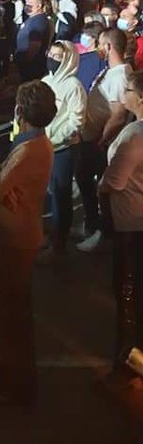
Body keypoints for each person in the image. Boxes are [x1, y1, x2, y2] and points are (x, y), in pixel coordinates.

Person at [0, 80, 55, 405]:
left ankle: (19, 383)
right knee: (12, 307)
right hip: (16, 232)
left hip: (20, 235)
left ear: (21, 110)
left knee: (16, 312)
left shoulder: (31, 148)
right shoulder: (33, 142)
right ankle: (8, 368)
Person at [99, 70, 143, 372]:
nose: (123, 94)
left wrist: (100, 187)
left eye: (127, 90)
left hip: (130, 219)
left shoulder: (134, 136)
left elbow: (113, 182)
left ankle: (128, 354)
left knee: (127, 287)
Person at [76, 27, 133, 253]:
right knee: (85, 178)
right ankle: (92, 224)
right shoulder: (113, 71)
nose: (98, 48)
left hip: (101, 141)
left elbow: (118, 114)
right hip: (94, 137)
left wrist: (102, 138)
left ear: (108, 47)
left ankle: (102, 230)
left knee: (101, 187)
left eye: (100, 44)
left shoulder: (120, 76)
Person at [40, 41, 87, 258]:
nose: (52, 58)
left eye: (58, 56)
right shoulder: (46, 81)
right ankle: (49, 234)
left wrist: (56, 138)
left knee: (61, 194)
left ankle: (59, 242)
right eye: (51, 54)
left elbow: (77, 120)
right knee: (48, 192)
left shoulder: (73, 86)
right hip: (44, 145)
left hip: (63, 149)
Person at [15, 0, 52, 82]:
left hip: (32, 65)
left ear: (39, 6)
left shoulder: (38, 21)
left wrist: (27, 61)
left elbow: (35, 45)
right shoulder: (33, 18)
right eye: (26, 2)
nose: (27, 5)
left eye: (30, 3)